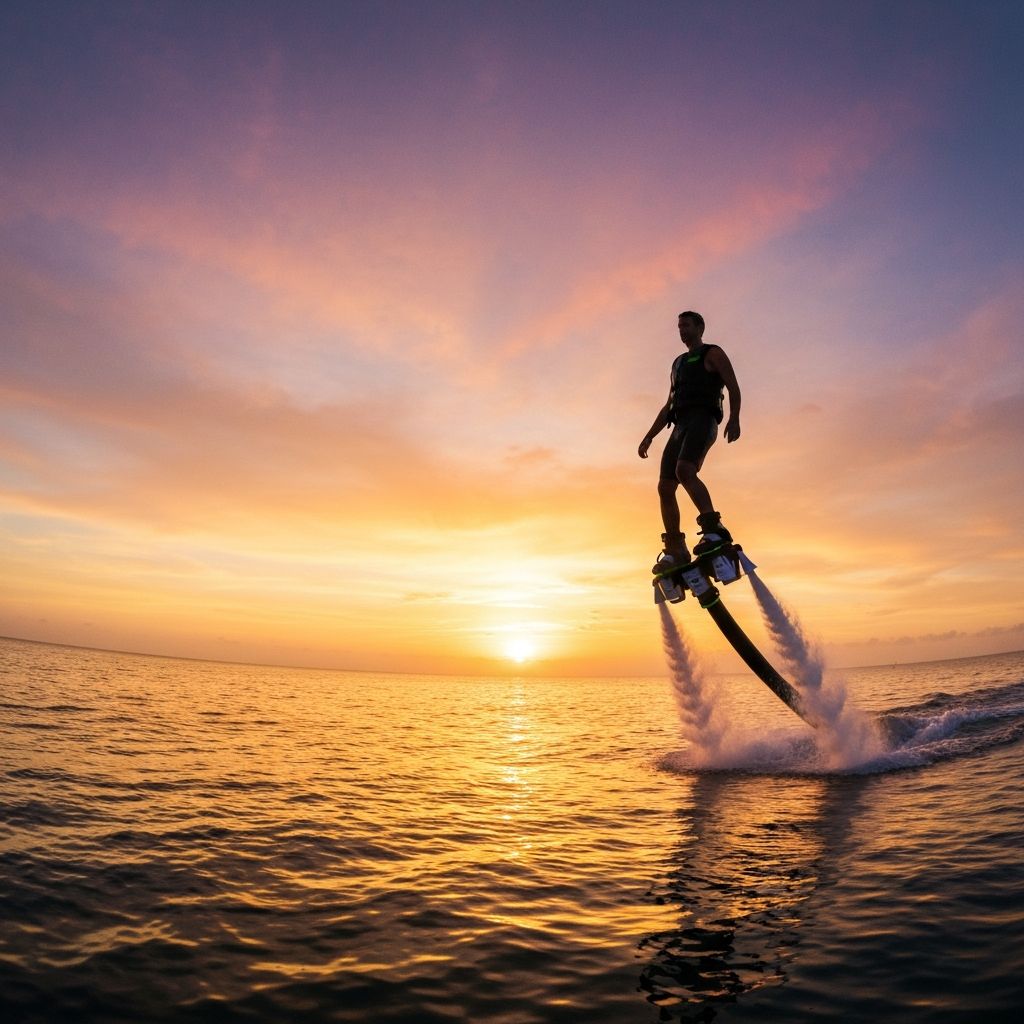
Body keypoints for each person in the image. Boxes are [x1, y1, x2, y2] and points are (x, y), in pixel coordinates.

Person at [638, 310, 741, 566]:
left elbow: (733, 385)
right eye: (679, 326)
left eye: (686, 325)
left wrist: (735, 417)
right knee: (664, 486)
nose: (682, 330)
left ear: (700, 327)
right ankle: (675, 548)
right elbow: (668, 405)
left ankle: (713, 527)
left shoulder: (713, 353)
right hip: (680, 425)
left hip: (703, 420)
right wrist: (649, 436)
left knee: (685, 470)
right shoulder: (678, 364)